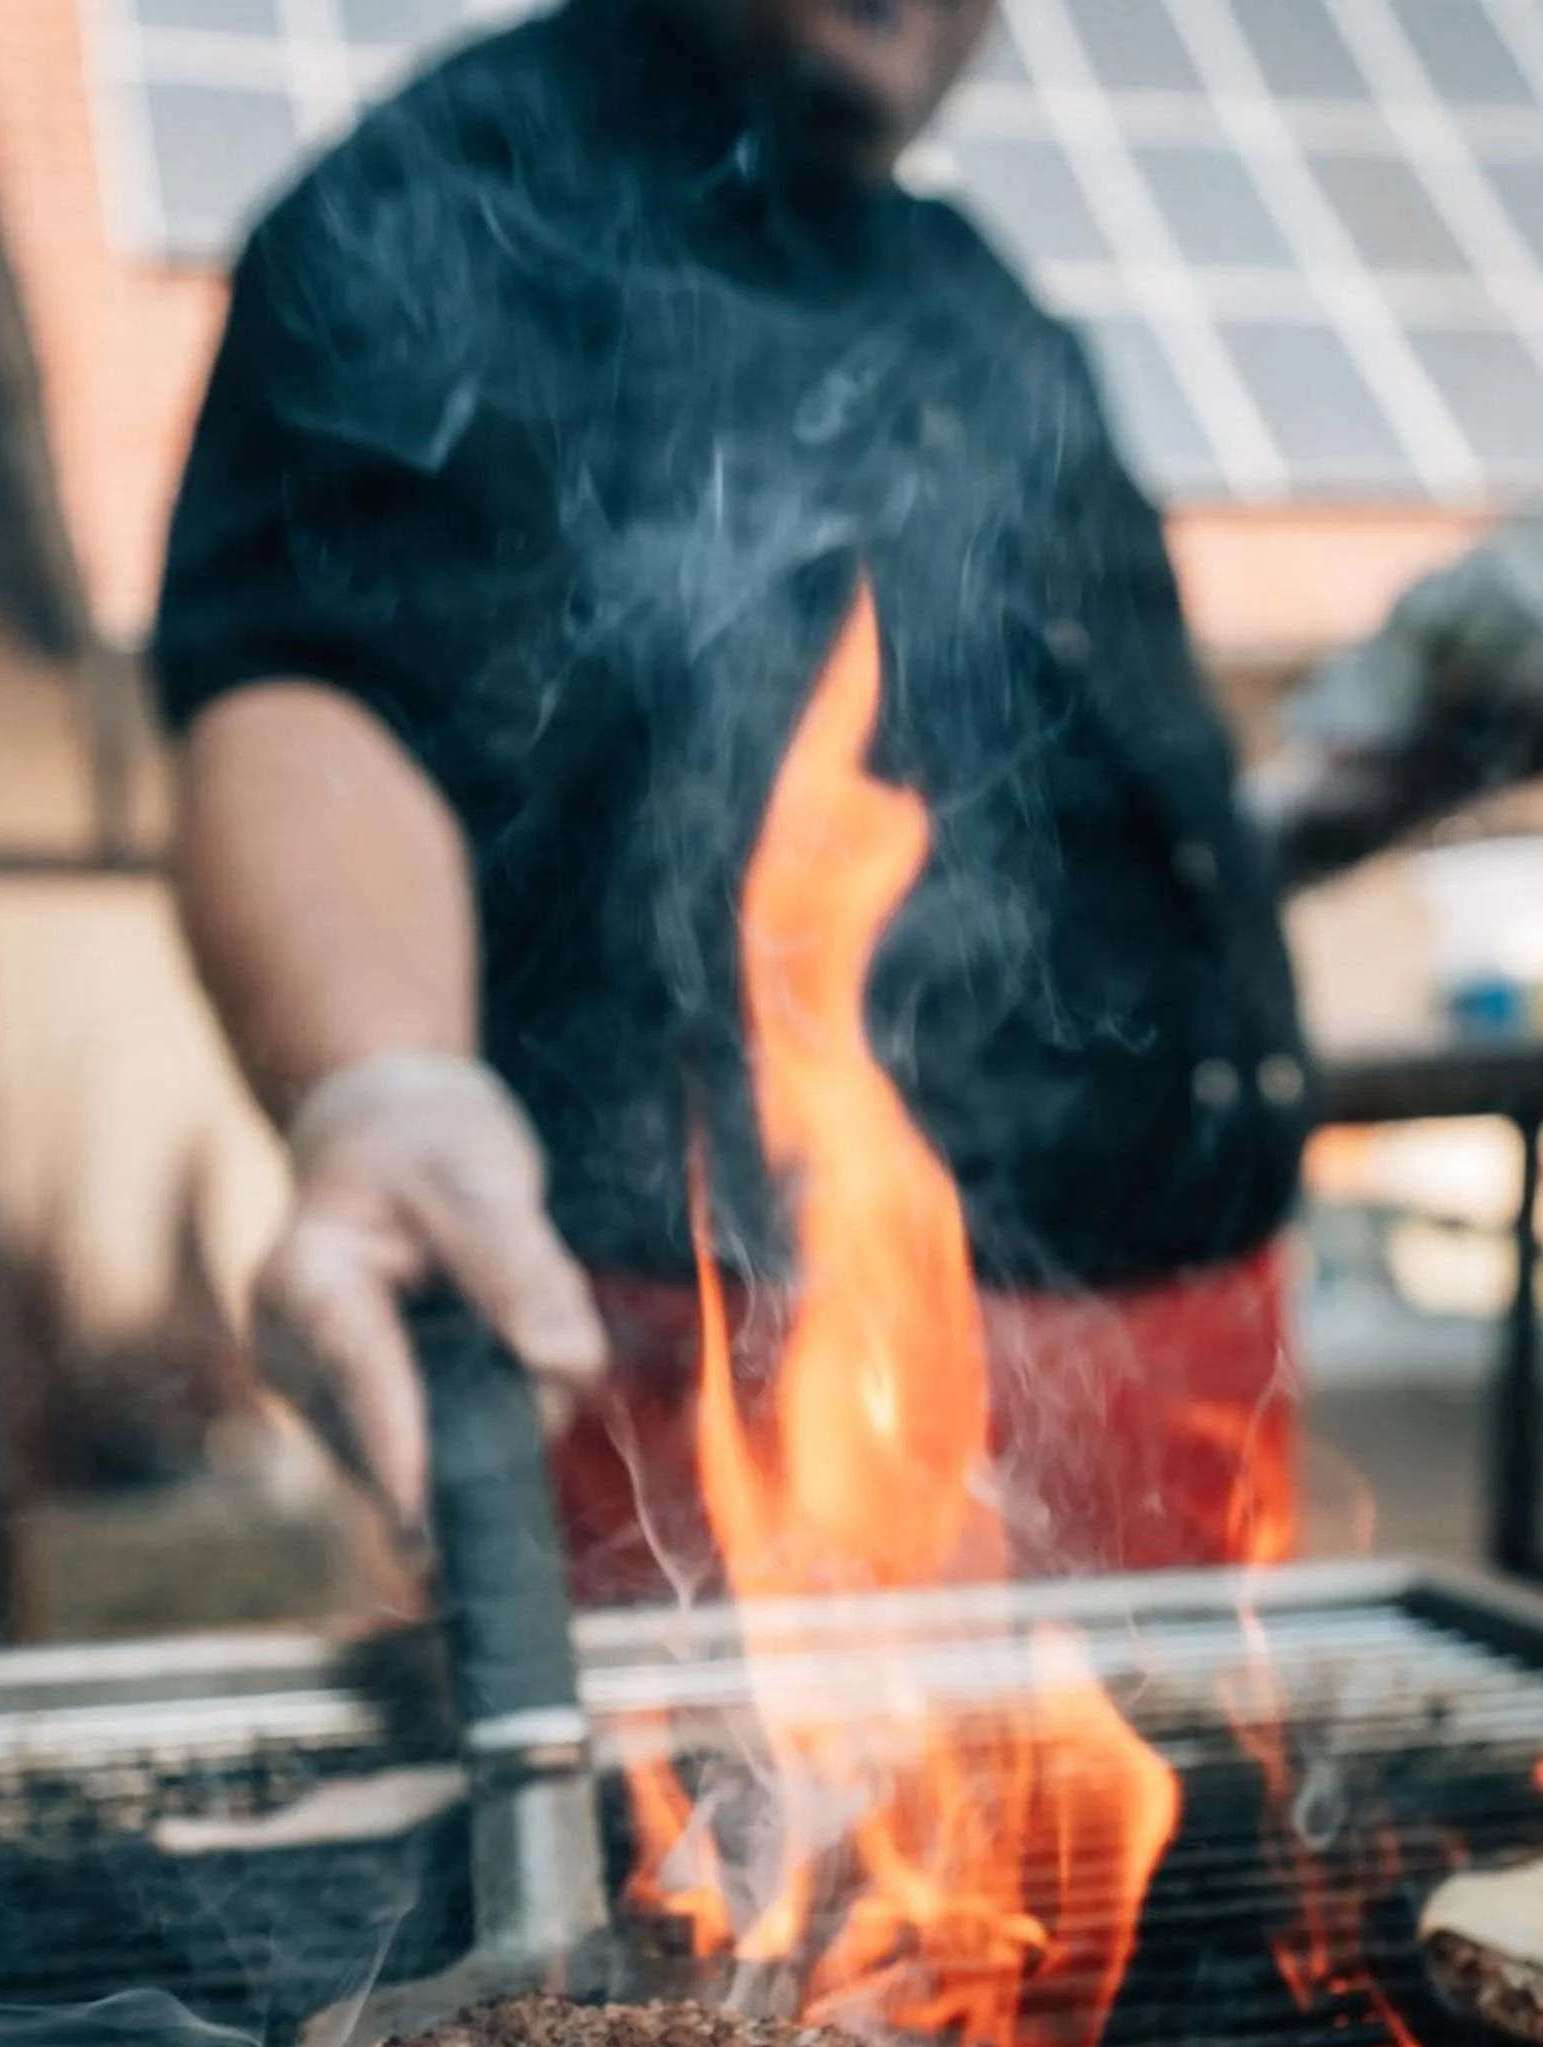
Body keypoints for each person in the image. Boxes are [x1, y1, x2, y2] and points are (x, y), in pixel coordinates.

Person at [157, 0, 1311, 1604]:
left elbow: (1055, 820)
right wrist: (385, 1087)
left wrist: (1337, 798)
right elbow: (301, 689)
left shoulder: (967, 286)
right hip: (749, 1395)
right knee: (747, 1862)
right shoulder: (443, 209)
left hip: (1174, 1353)